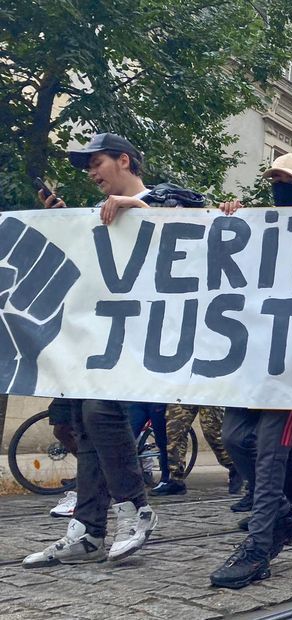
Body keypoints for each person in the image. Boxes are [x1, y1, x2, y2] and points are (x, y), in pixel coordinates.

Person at [24, 133, 196, 567]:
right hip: (101, 338)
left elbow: (200, 235)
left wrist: (137, 208)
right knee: (82, 419)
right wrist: (63, 227)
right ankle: (87, 531)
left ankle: (134, 509)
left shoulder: (166, 199)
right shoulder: (96, 218)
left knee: (101, 411)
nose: (91, 173)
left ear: (124, 160)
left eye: (96, 162)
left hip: (150, 336)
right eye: (86, 167)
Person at [208, 152, 292, 589]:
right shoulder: (253, 226)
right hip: (252, 361)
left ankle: (259, 548)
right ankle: (286, 515)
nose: (278, 185)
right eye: (274, 178)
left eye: (288, 180)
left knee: (272, 456)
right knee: (234, 438)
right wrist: (226, 222)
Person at [153, 404, 241, 496]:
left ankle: (235, 468)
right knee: (174, 433)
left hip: (209, 394)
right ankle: (176, 480)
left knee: (213, 434)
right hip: (181, 395)